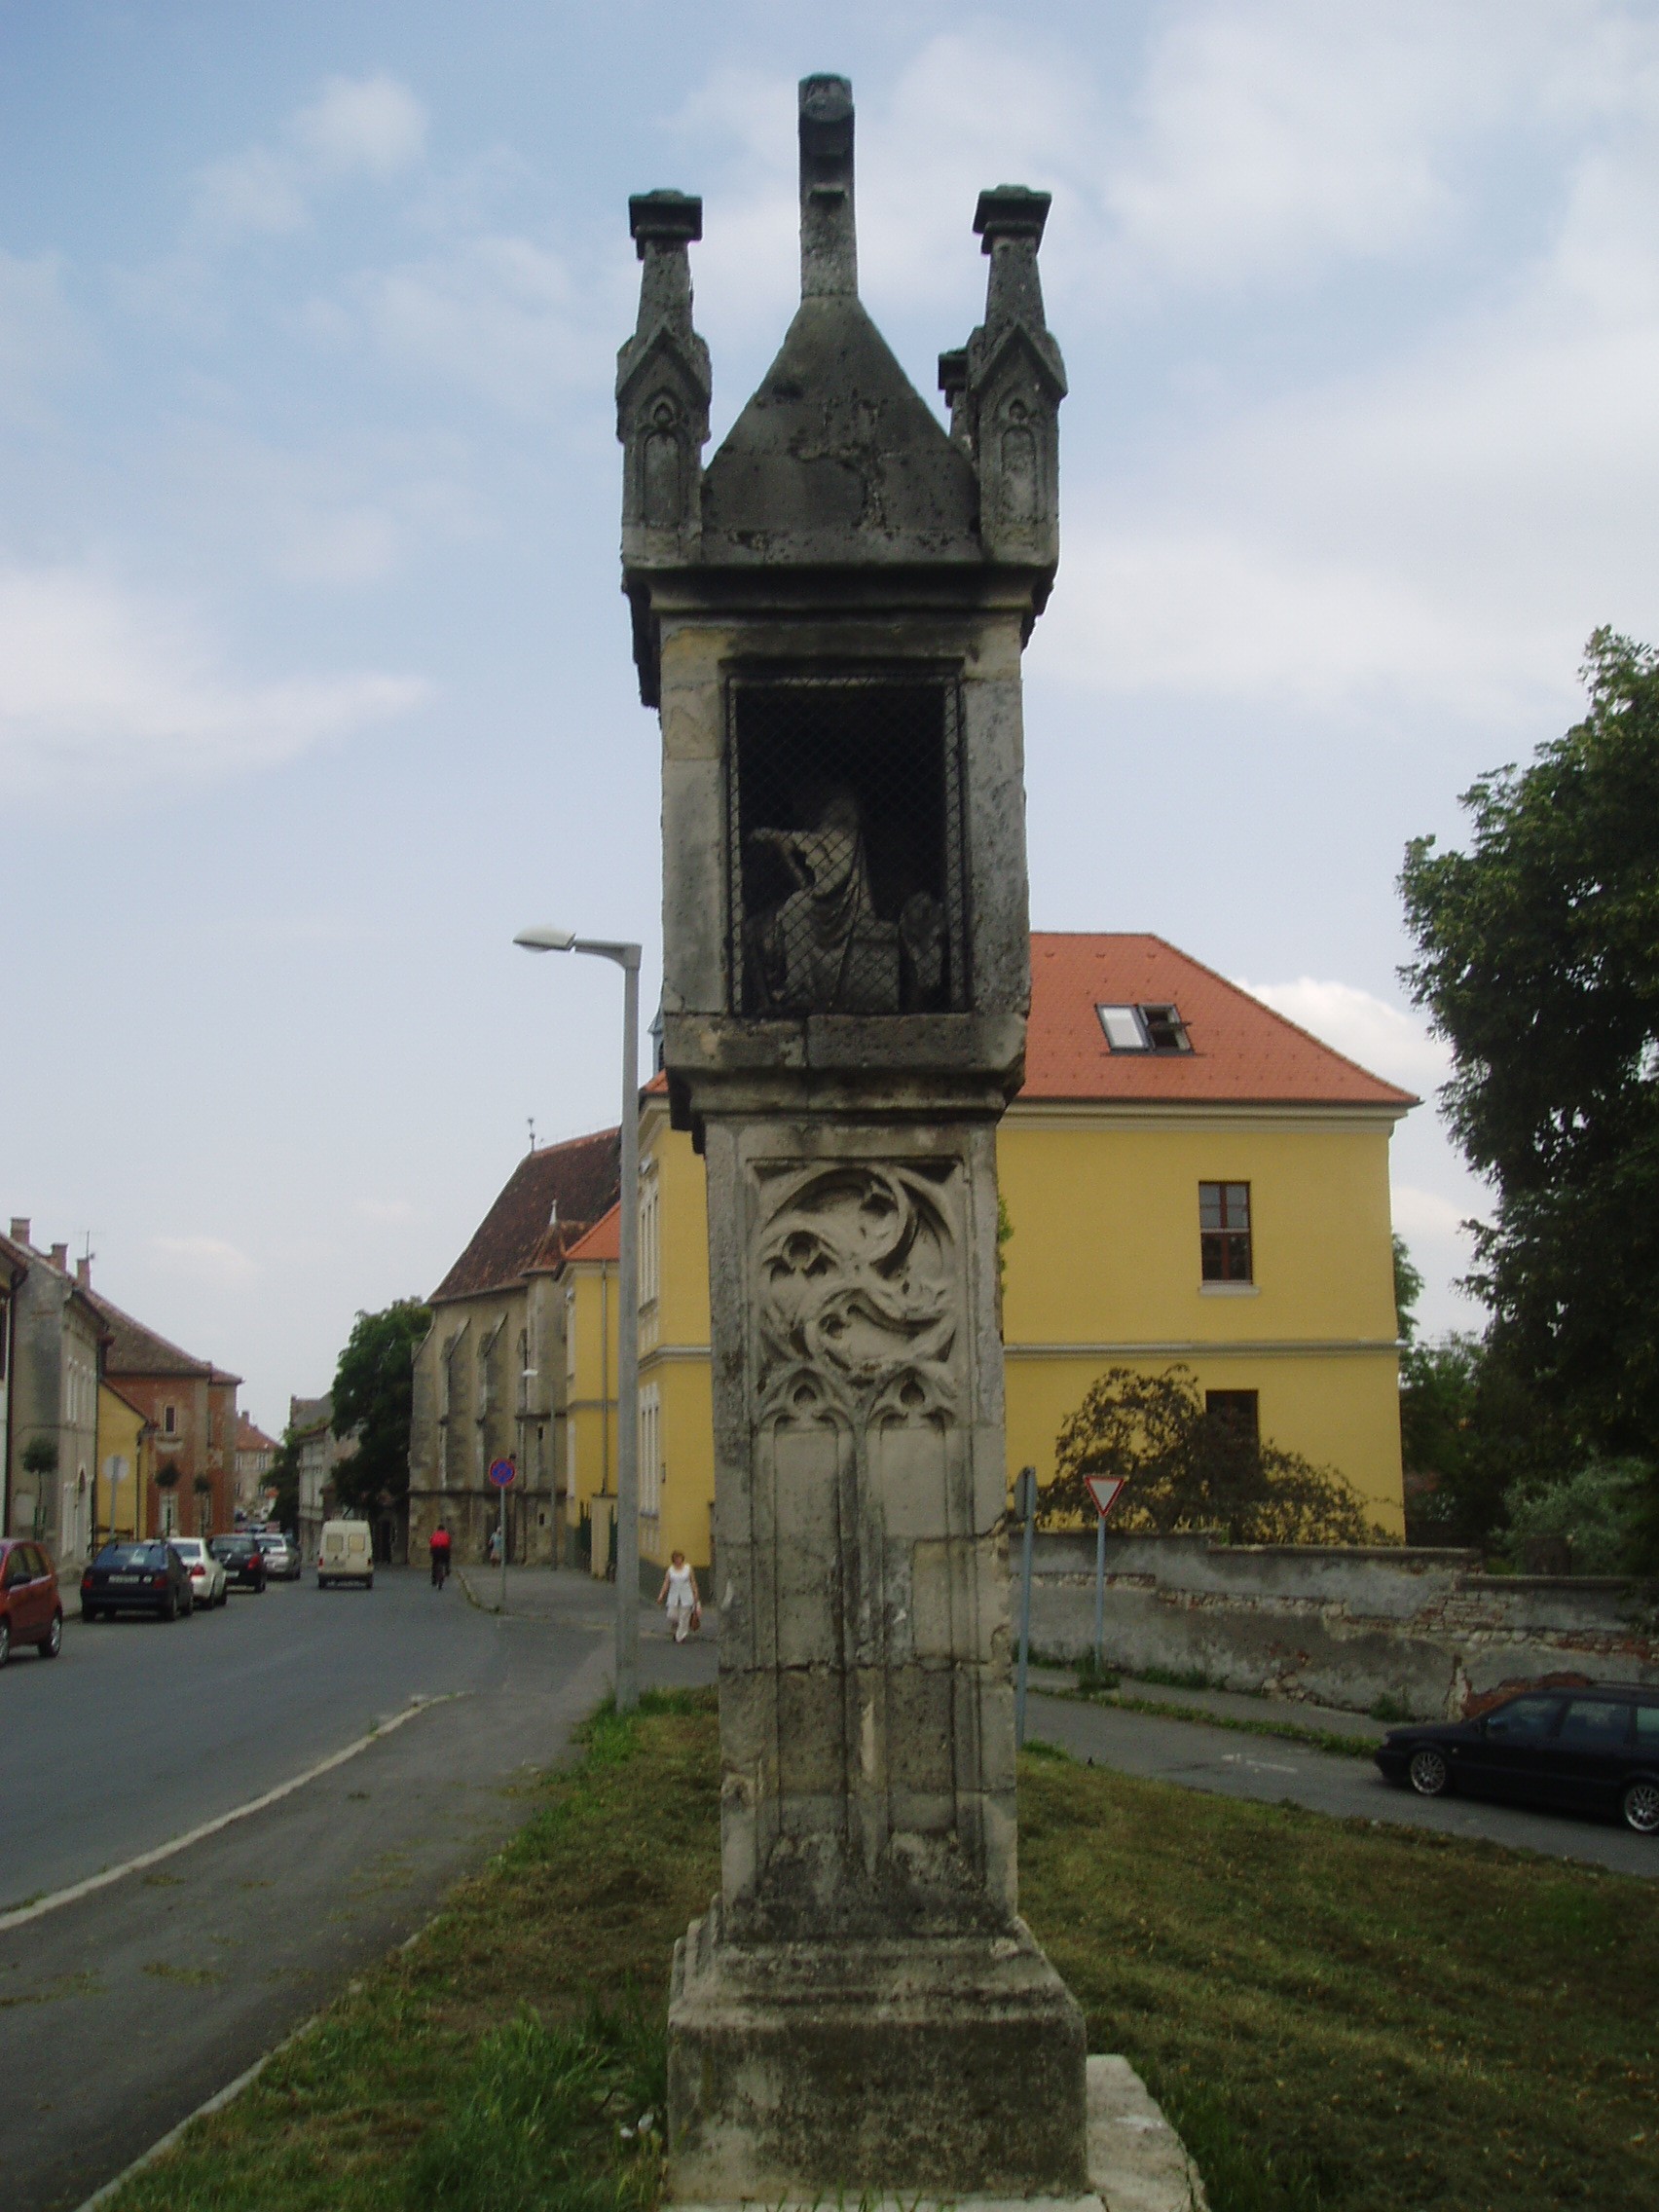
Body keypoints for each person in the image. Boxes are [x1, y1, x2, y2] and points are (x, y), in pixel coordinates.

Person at [657, 1549, 700, 1642]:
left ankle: (680, 1637)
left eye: (680, 1558)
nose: (678, 1560)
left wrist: (695, 1593)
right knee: (672, 1615)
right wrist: (661, 1595)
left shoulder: (688, 1568)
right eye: (676, 1558)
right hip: (674, 1596)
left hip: (686, 1595)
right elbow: (666, 1583)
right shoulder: (670, 1570)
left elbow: (693, 1582)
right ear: (673, 1559)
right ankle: (676, 1629)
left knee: (684, 1617)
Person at [429, 1521, 452, 1589]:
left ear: (437, 1529)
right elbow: (449, 1543)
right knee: (447, 1559)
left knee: (434, 1563)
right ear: (444, 1529)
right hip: (444, 1549)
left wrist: (431, 1551)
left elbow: (431, 1542)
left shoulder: (434, 1534)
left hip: (435, 1550)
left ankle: (434, 1579)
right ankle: (447, 1570)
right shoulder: (446, 1535)